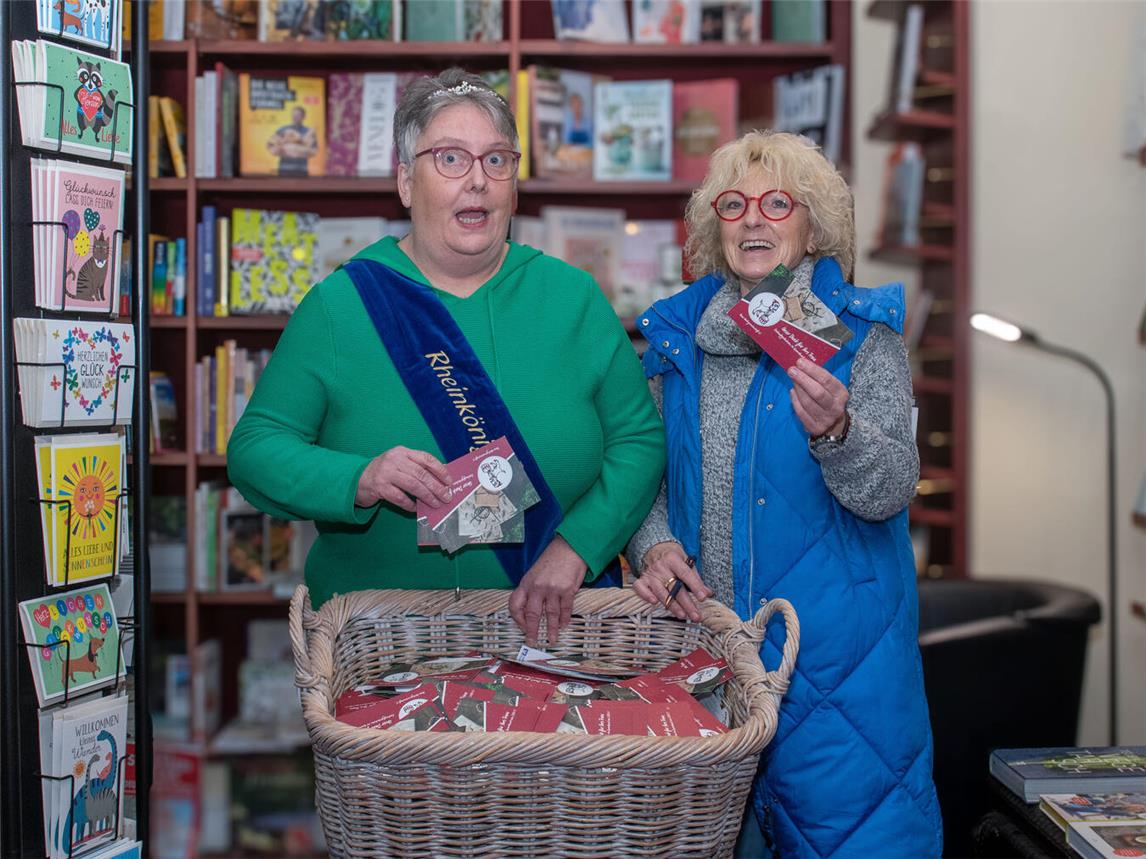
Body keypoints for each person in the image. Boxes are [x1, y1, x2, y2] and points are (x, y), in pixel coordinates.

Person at [228, 68, 665, 644]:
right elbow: (255, 452)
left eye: (496, 160)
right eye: (451, 159)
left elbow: (638, 441)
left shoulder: (574, 297)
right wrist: (360, 477)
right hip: (380, 640)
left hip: (554, 633)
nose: (478, 181)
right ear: (407, 182)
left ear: (514, 182)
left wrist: (575, 550)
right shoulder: (341, 305)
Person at [626, 130, 943, 858]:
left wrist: (838, 431)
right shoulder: (675, 341)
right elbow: (641, 475)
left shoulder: (861, 336)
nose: (753, 220)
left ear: (813, 225)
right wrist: (655, 542)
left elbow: (893, 487)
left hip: (839, 676)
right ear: (714, 224)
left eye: (777, 203)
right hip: (707, 669)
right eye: (733, 204)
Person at [267, 106, 318, 176]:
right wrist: (281, 147)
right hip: (284, 168)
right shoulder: (283, 129)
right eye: (293, 115)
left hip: (301, 169)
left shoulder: (308, 132)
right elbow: (270, 145)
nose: (295, 117)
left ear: (303, 117)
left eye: (298, 115)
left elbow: (314, 151)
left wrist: (299, 143)